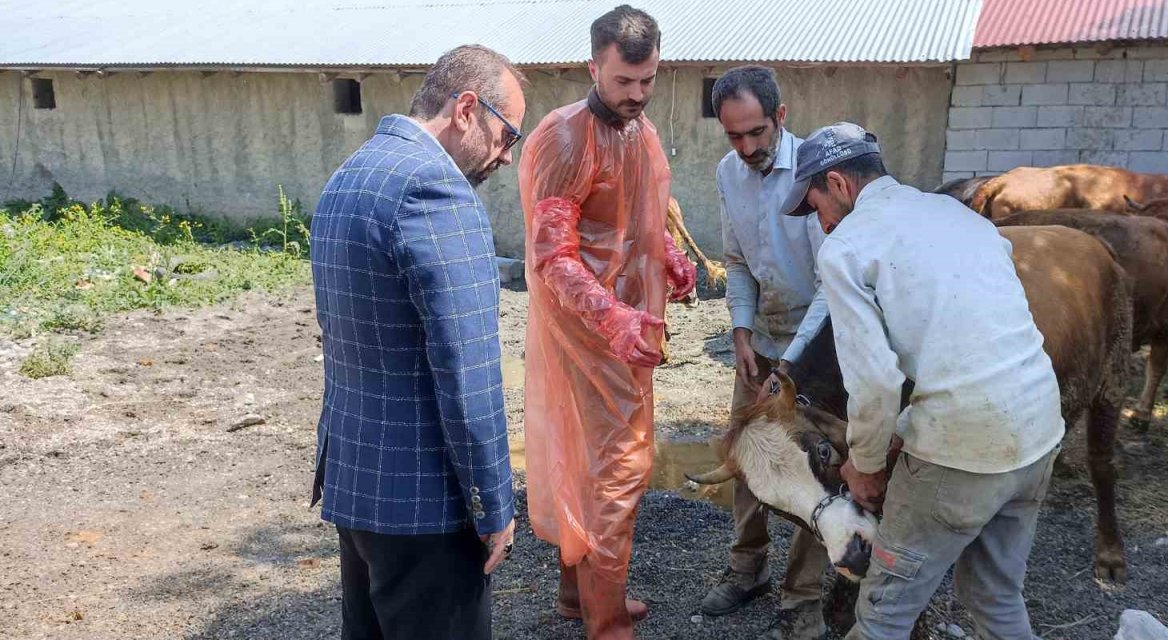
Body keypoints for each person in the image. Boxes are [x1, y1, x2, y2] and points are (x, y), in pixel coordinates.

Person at [786, 122, 1064, 639]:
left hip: (962, 455)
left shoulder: (847, 248)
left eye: (815, 205)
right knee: (996, 595)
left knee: (884, 614)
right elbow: (973, 350)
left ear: (841, 184)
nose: (820, 223)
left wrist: (865, 467)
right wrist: (907, 425)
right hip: (1039, 429)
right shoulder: (961, 219)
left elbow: (872, 383)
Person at [309, 44, 525, 640]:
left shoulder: (351, 174)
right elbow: (468, 369)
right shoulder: (436, 192)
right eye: (508, 135)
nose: (507, 157)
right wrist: (494, 505)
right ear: (466, 110)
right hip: (426, 505)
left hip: (358, 483)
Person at [518, 5, 696, 639]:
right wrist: (612, 317)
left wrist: (668, 257)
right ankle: (608, 624)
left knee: (584, 462)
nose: (638, 95)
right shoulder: (566, 138)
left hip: (628, 330)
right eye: (624, 82)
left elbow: (643, 216)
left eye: (648, 80)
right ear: (593, 66)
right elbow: (550, 254)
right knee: (616, 472)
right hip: (588, 332)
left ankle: (578, 596)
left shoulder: (638, 131)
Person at [700, 65, 829, 640]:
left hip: (822, 351)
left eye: (756, 132)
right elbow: (736, 261)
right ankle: (746, 566)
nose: (747, 147)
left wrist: (791, 366)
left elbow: (835, 285)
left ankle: (801, 597)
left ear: (781, 117)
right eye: (734, 135)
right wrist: (742, 333)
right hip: (763, 344)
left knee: (813, 470)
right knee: (746, 455)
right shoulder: (729, 172)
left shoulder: (817, 175)